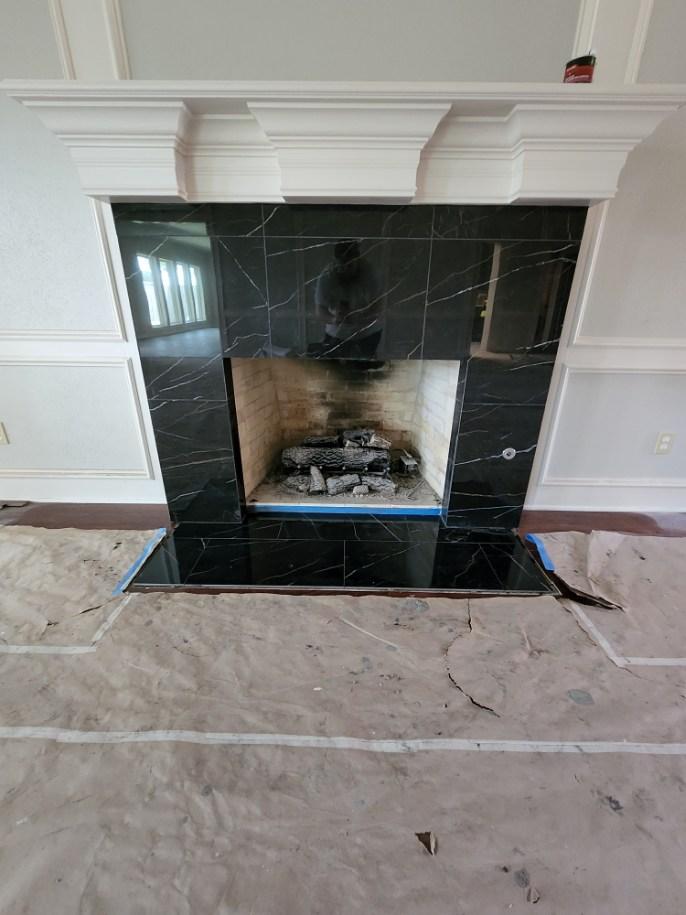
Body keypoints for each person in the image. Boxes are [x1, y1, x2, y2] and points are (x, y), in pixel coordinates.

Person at [313, 239, 382, 358]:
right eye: (341, 265)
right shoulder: (326, 276)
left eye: (349, 265)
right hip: (337, 334)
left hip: (367, 334)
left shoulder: (371, 274)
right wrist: (335, 319)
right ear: (335, 261)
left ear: (358, 260)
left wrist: (358, 317)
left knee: (364, 371)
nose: (344, 269)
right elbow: (319, 311)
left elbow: (378, 307)